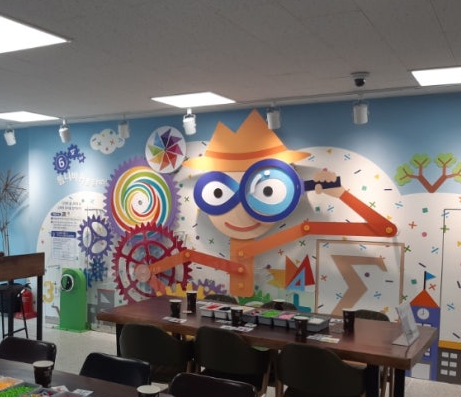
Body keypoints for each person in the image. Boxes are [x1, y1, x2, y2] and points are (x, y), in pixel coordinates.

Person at [138, 110, 397, 297]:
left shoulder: (306, 227)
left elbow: (386, 229)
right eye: (219, 192)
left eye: (267, 191)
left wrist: (341, 194)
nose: (240, 209)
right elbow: (188, 256)